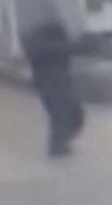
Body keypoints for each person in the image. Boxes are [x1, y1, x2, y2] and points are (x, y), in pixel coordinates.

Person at [19, 19, 85, 157]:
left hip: (60, 81)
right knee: (61, 114)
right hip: (48, 82)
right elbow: (44, 50)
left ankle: (60, 144)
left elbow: (70, 49)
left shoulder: (55, 35)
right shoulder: (39, 40)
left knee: (73, 113)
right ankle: (57, 148)